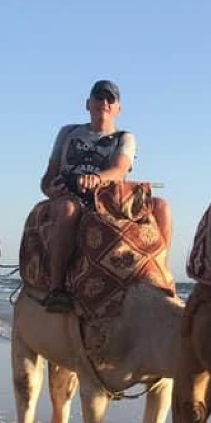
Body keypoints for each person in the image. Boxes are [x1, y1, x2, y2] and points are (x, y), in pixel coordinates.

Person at [38, 80, 171, 313]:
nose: (105, 103)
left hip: (108, 198)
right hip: (68, 197)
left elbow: (120, 169)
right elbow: (47, 178)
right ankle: (57, 289)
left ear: (118, 108)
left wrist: (97, 179)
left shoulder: (125, 138)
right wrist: (52, 190)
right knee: (69, 210)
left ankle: (162, 277)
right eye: (99, 97)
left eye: (111, 99)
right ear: (87, 104)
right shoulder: (68, 133)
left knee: (161, 207)